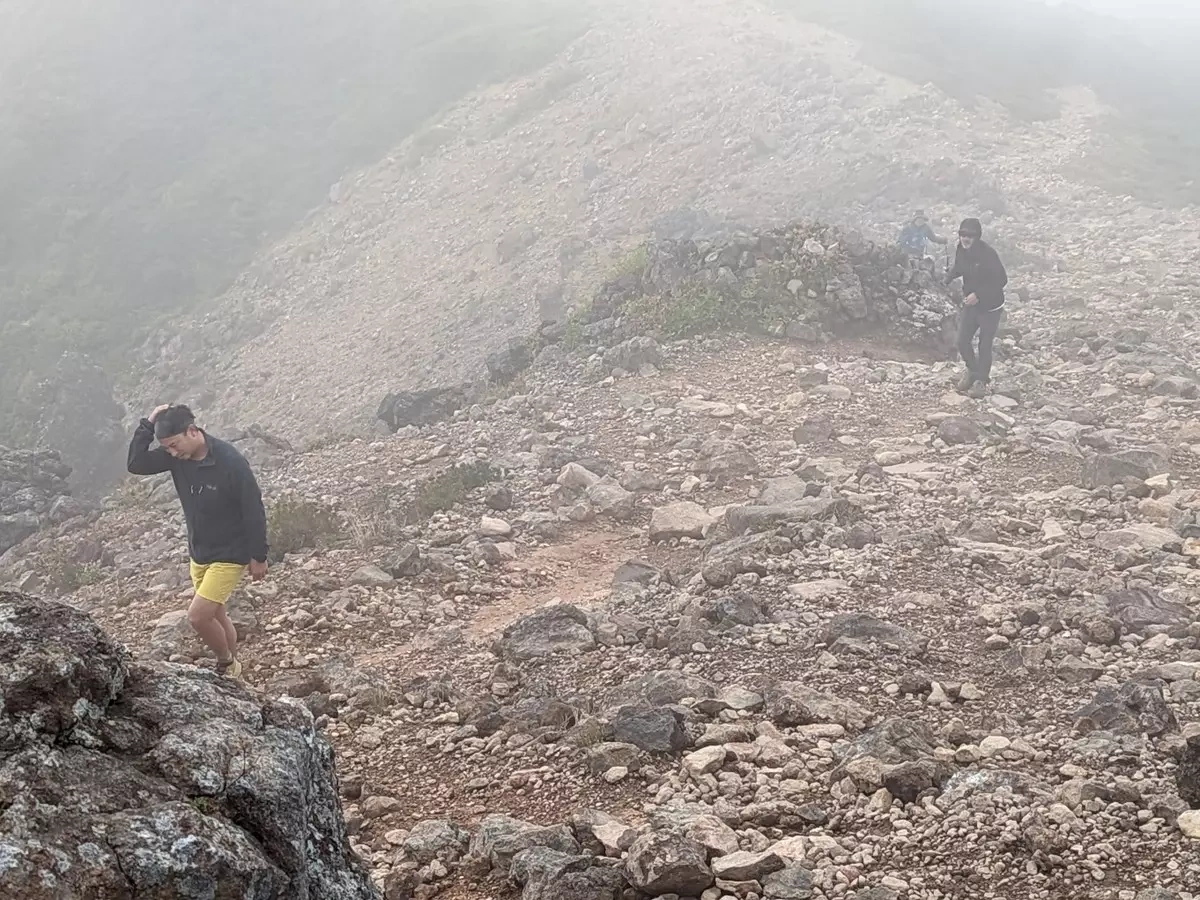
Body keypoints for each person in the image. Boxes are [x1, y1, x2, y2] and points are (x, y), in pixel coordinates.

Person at [127, 404, 269, 677]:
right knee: (217, 614)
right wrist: (148, 423)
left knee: (198, 617)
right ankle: (234, 675)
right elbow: (136, 464)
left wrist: (259, 555)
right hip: (200, 552)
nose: (171, 452)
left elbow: (253, 509)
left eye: (174, 445)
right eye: (166, 448)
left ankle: (226, 663)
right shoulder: (177, 457)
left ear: (192, 431)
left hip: (230, 553)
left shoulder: (230, 461)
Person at [946, 218, 1008, 399]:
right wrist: (948, 277)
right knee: (962, 341)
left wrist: (979, 294)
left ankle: (981, 381)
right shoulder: (961, 249)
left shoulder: (988, 254)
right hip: (971, 305)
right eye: (962, 234)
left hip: (991, 307)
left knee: (984, 344)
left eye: (970, 235)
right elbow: (960, 266)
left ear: (977, 236)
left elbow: (1001, 280)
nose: (965, 238)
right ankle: (973, 371)